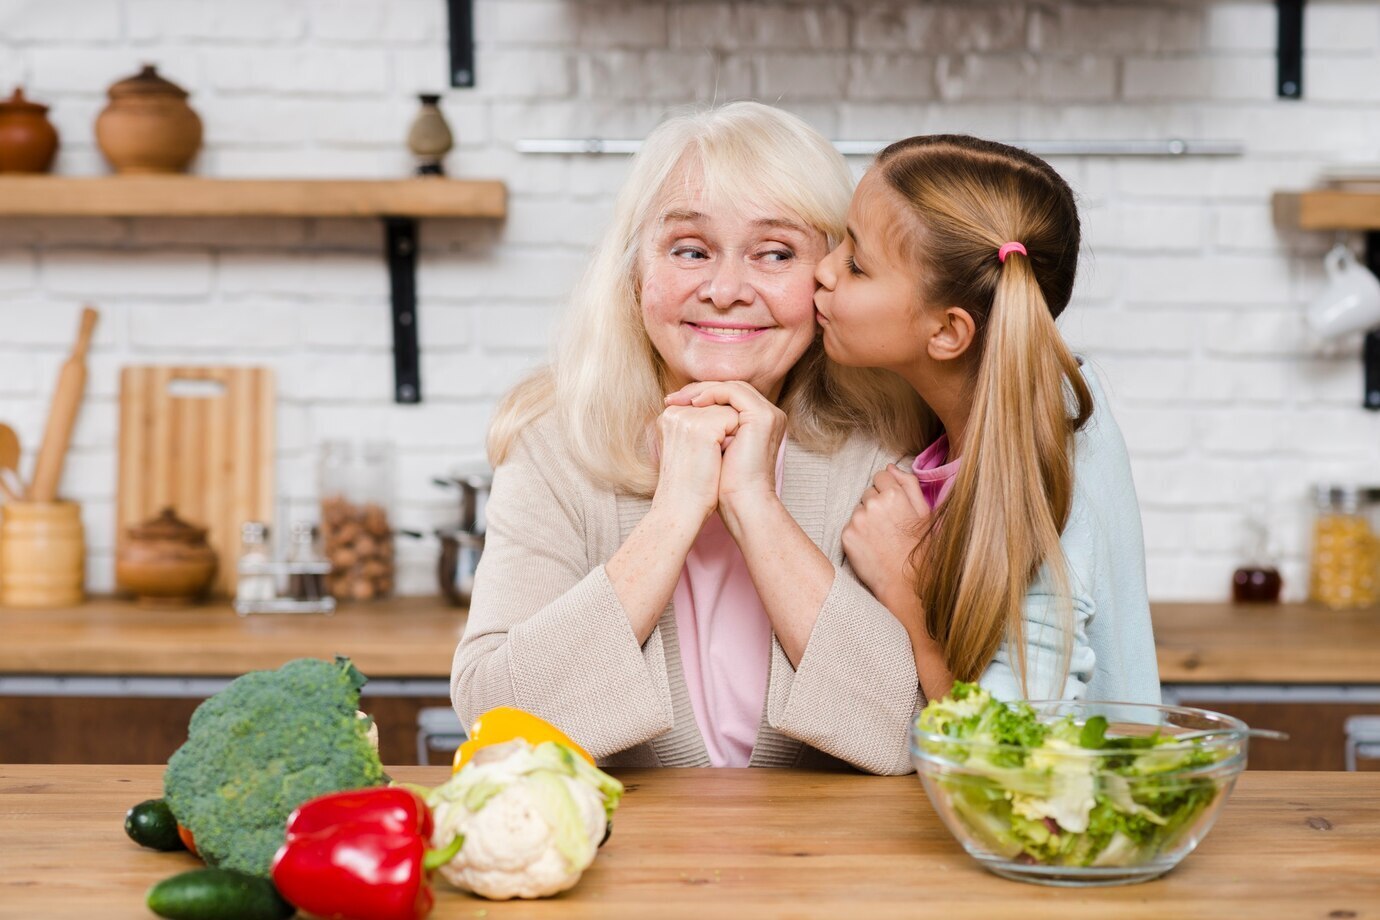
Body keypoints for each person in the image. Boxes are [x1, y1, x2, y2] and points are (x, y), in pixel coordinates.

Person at [452, 102, 932, 775]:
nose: (727, 289)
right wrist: (673, 513)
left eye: (775, 253)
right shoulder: (554, 447)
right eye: (690, 249)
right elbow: (496, 723)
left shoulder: (885, 451)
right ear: (635, 270)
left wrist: (755, 507)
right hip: (620, 862)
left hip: (831, 868)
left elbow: (912, 731)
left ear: (827, 278)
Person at [809, 134, 1161, 706]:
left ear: (948, 333)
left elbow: (1017, 756)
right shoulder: (995, 414)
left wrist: (907, 590)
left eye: (855, 264)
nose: (822, 271)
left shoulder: (1056, 458)